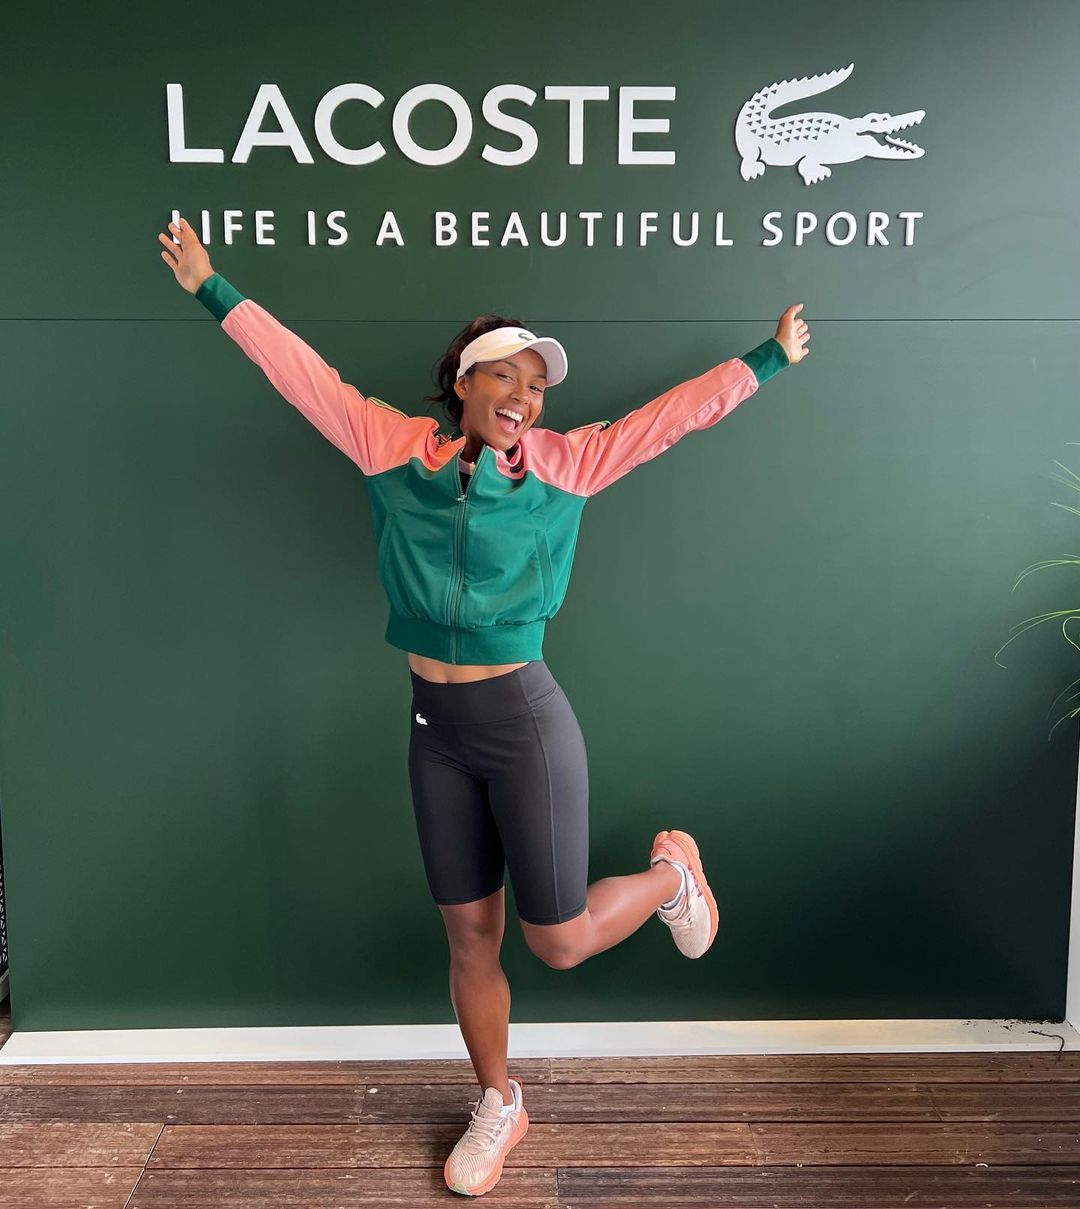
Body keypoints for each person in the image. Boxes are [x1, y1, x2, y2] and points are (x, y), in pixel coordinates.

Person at [159, 216, 810, 1197]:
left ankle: (672, 876)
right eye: (506, 374)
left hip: (523, 725)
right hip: (434, 730)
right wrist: (214, 289)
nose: (525, 395)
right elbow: (300, 374)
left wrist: (765, 359)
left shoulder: (565, 463)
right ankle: (500, 1101)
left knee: (558, 940)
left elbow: (668, 419)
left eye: (537, 384)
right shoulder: (387, 445)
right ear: (463, 382)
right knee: (469, 936)